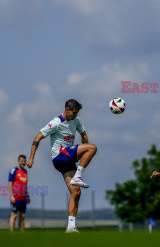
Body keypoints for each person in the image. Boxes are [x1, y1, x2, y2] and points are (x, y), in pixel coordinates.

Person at [26, 99, 97, 233]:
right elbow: (38, 137)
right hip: (60, 155)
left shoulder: (76, 120)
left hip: (67, 161)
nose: (76, 115)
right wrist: (31, 158)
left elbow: (83, 133)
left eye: (77, 113)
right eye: (74, 112)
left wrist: (83, 146)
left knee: (76, 192)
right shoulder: (56, 123)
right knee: (92, 148)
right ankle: (79, 176)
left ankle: (70, 226)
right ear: (67, 110)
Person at [8, 155, 30, 231]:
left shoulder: (25, 172)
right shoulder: (14, 171)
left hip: (23, 198)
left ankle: (21, 233)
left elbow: (25, 185)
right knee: (14, 215)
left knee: (22, 216)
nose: (23, 163)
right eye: (21, 161)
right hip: (15, 197)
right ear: (18, 161)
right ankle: (11, 233)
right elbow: (10, 183)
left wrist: (28, 196)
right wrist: (11, 196)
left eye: (24, 161)